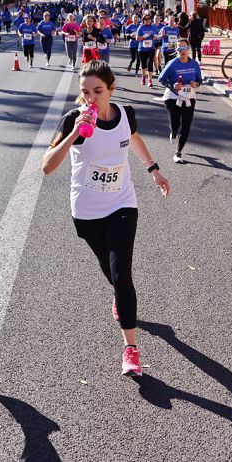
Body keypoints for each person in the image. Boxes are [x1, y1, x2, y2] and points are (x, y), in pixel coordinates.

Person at [42, 61, 171, 377]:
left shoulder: (126, 114)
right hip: (86, 211)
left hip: (122, 203)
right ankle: (119, 295)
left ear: (111, 89)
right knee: (109, 268)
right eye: (85, 92)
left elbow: (134, 138)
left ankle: (130, 349)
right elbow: (47, 166)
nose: (91, 98)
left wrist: (153, 169)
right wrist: (74, 132)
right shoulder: (75, 120)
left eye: (98, 91)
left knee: (121, 272)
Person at [158, 39, 202, 164]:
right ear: (176, 50)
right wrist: (173, 85)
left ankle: (178, 152)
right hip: (173, 98)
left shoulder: (194, 64)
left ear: (188, 49)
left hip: (189, 98)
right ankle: (174, 131)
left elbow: (199, 80)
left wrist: (196, 83)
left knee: (186, 126)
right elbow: (161, 79)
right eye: (179, 49)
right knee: (175, 125)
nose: (182, 51)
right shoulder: (172, 64)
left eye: (184, 48)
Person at [135, 14, 156, 87]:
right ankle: (143, 77)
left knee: (150, 64)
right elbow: (137, 38)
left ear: (151, 19)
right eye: (145, 19)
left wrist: (156, 37)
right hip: (142, 49)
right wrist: (145, 35)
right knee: (143, 65)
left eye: (148, 19)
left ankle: (150, 80)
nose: (147, 20)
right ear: (143, 20)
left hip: (151, 48)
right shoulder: (141, 27)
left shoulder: (153, 27)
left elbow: (156, 36)